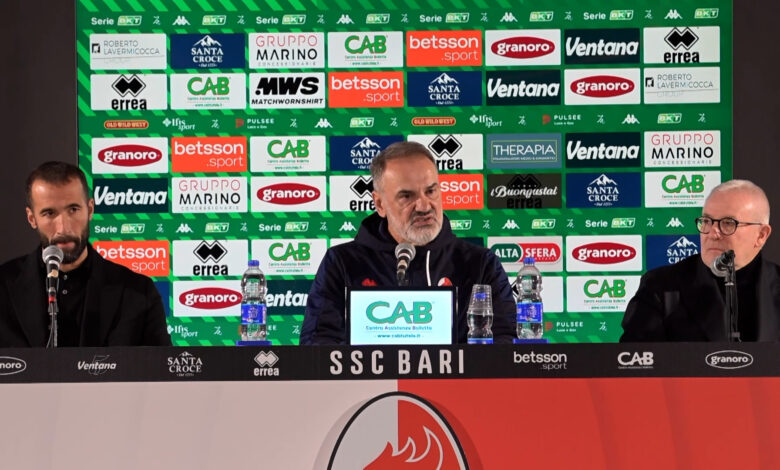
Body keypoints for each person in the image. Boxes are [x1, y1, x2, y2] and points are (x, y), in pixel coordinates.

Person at [300, 141, 516, 344]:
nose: (424, 206)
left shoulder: (480, 264)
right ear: (379, 204)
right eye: (406, 196)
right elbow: (318, 348)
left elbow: (506, 349)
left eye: (431, 191)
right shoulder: (342, 263)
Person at [0, 161, 171, 347]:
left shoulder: (139, 292)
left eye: (73, 210)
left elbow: (159, 365)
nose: (63, 228)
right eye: (49, 213)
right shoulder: (3, 287)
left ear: (90, 209)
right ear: (32, 218)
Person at [621, 179, 779, 341]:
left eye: (728, 223)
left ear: (761, 235)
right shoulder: (661, 286)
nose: (712, 233)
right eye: (707, 221)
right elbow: (634, 353)